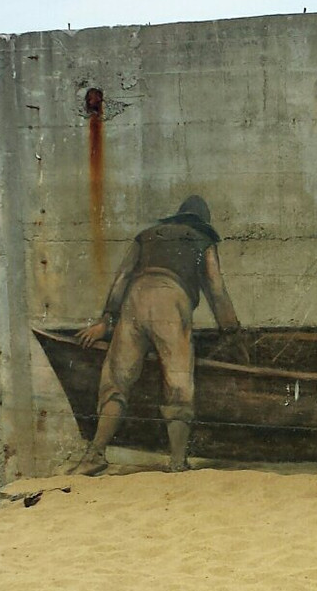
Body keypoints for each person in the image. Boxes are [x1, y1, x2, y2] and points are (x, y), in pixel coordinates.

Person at [70, 195, 246, 475]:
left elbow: (121, 279)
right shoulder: (202, 240)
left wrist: (106, 321)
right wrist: (231, 331)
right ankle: (177, 462)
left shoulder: (147, 236)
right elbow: (216, 289)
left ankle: (96, 454)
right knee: (178, 384)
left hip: (134, 300)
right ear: (202, 222)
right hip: (170, 303)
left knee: (116, 380)